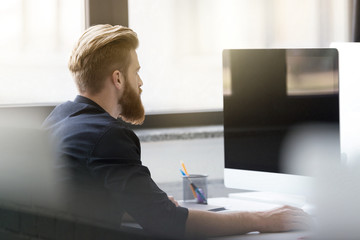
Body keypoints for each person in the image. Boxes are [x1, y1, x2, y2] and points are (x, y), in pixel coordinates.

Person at [43, 24, 310, 239]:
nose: (141, 81)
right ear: (118, 78)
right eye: (136, 71)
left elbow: (76, 201)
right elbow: (168, 223)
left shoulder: (59, 119)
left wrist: (138, 205)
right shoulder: (108, 136)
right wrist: (261, 219)